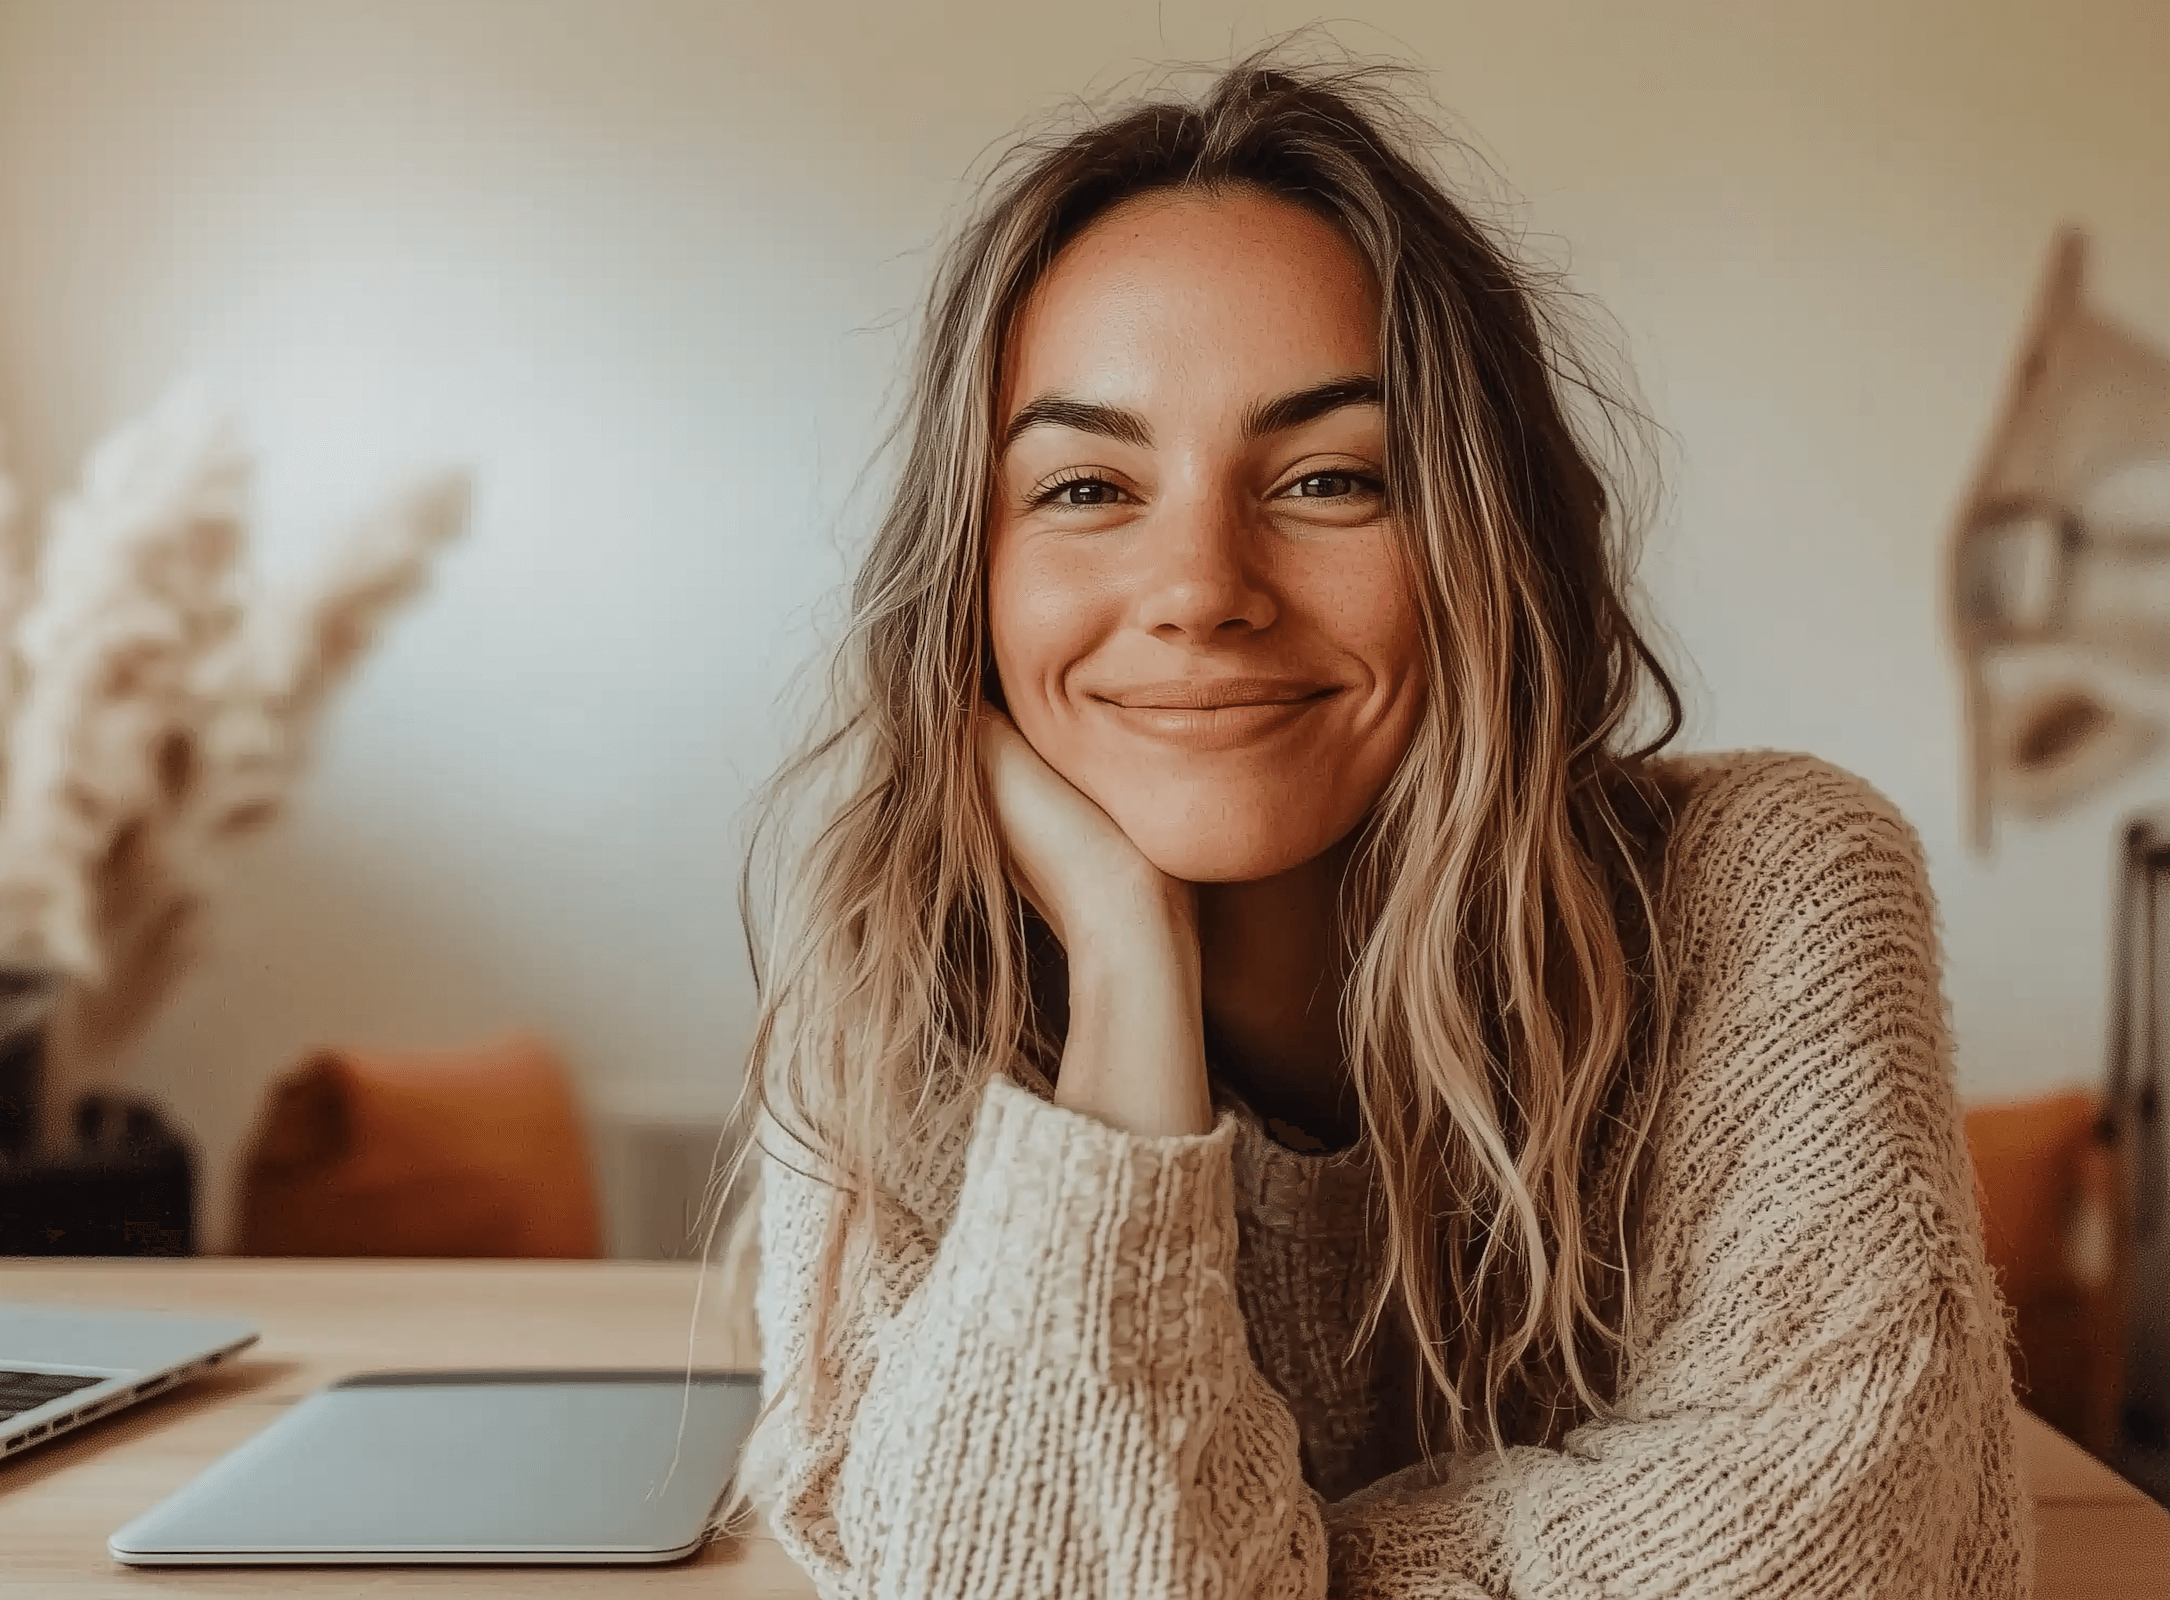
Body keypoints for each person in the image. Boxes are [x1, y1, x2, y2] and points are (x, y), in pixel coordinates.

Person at [729, 52, 2032, 1599]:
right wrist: (1124, 961)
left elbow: (1839, 1556)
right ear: (971, 579)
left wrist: (1244, 1567)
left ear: (1491, 542)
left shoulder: (1774, 887)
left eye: (1333, 477)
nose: (1203, 586)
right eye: (1085, 488)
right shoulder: (903, 959)